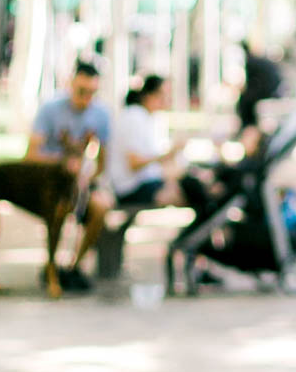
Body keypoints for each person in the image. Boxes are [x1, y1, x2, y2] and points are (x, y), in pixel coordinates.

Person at [26, 59, 113, 291]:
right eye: (81, 91)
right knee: (59, 209)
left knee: (102, 206)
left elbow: (103, 162)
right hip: (50, 180)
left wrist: (87, 175)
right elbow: (31, 155)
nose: (86, 98)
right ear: (70, 84)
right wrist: (64, 164)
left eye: (92, 93)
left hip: (80, 183)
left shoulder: (101, 115)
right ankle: (51, 268)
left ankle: (74, 266)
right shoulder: (50, 109)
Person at [111, 75, 187, 210]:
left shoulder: (153, 119)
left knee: (189, 185)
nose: (168, 100)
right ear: (149, 95)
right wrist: (166, 156)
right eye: (164, 95)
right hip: (129, 188)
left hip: (147, 183)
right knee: (187, 192)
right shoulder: (134, 116)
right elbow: (133, 163)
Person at [235, 40, 283, 141]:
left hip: (269, 89)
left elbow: (250, 82)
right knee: (247, 99)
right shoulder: (257, 60)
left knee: (244, 101)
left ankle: (247, 126)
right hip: (273, 88)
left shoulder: (250, 62)